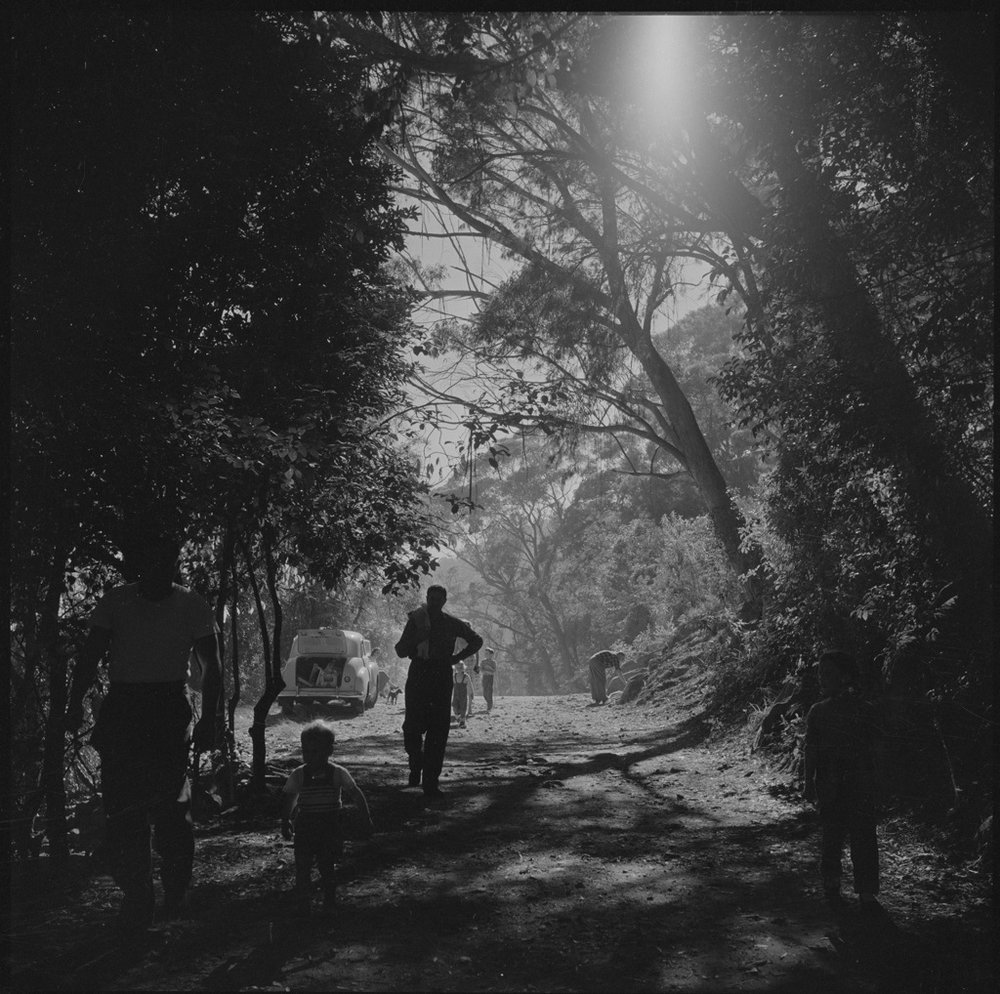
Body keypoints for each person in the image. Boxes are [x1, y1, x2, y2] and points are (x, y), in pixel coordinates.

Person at [65, 523, 222, 931]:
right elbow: (90, 654)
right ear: (138, 566)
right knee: (123, 808)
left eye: (167, 562)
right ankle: (137, 894)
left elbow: (213, 667)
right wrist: (73, 703)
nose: (160, 570)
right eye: (151, 562)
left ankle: (173, 890)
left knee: (171, 805)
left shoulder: (192, 604)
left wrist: (210, 718)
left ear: (174, 563)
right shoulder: (117, 601)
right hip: (124, 710)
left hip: (168, 710)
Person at [803, 649, 882, 912]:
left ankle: (866, 891)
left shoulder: (864, 711)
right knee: (832, 835)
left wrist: (879, 783)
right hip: (830, 783)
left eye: (829, 674)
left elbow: (875, 750)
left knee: (862, 836)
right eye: (820, 674)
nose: (823, 679)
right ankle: (832, 881)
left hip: (859, 782)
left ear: (846, 677)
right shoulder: (817, 712)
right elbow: (811, 750)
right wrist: (807, 782)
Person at [394, 585, 483, 799]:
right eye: (430, 598)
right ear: (427, 598)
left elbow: (477, 641)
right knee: (412, 729)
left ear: (444, 601)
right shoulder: (416, 620)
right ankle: (416, 762)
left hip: (442, 677)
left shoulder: (452, 623)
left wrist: (454, 659)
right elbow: (400, 650)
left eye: (437, 599)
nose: (433, 602)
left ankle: (431, 783)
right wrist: (419, 637)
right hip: (418, 675)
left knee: (438, 732)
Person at [281, 720, 373, 916]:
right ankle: (304, 904)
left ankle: (329, 901)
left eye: (316, 752)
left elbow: (355, 794)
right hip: (305, 827)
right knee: (302, 866)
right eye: (306, 751)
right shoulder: (299, 775)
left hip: (329, 826)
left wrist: (366, 817)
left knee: (327, 865)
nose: (310, 757)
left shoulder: (337, 773)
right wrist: (286, 820)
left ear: (329, 751)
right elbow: (291, 798)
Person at [452, 660, 471, 728]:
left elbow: (470, 686)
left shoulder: (466, 676)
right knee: (455, 708)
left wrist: (471, 693)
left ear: (463, 668)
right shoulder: (454, 676)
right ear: (455, 668)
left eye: (460, 668)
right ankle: (457, 716)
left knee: (463, 708)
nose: (459, 669)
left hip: (463, 696)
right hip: (456, 696)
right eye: (457, 668)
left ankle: (462, 722)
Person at [480, 647, 498, 712]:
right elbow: (481, 670)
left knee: (489, 691)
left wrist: (488, 669)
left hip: (490, 678)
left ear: (491, 655)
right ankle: (489, 702)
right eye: (485, 653)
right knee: (484, 693)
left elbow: (494, 671)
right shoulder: (483, 661)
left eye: (487, 653)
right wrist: (488, 670)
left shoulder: (493, 662)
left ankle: (489, 706)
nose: (486, 655)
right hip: (484, 678)